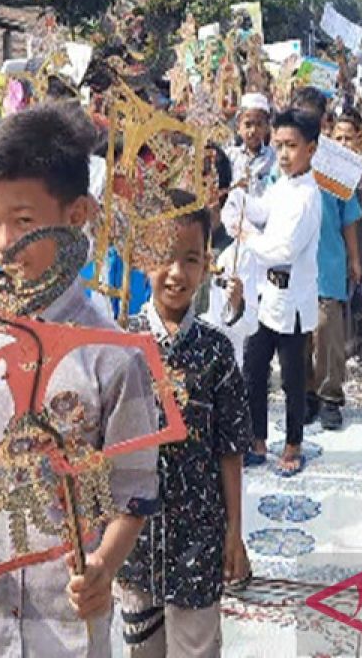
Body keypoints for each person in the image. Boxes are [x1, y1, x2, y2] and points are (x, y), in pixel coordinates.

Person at [0, 103, 161, 657]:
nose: (5, 243)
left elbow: (134, 490)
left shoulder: (111, 357)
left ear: (76, 215)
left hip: (68, 628)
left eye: (24, 222)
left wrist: (103, 567)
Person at [119, 192, 252, 658]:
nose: (176, 272)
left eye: (190, 259)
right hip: (131, 540)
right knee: (142, 648)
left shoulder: (216, 352)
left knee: (196, 648)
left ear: (206, 264)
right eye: (164, 257)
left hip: (198, 537)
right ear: (141, 260)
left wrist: (233, 533)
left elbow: (230, 449)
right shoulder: (120, 343)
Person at [232, 109, 322, 476]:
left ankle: (293, 443)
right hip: (268, 296)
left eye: (292, 146)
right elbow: (261, 208)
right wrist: (239, 201)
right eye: (279, 145)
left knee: (291, 378)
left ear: (311, 149)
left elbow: (284, 248)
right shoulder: (282, 185)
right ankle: (257, 438)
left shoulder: (308, 197)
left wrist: (249, 237)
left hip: (293, 300)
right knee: (253, 368)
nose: (284, 154)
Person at [307, 176, 362, 432]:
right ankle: (306, 393)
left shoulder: (335, 171)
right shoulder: (283, 165)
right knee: (298, 333)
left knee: (328, 327)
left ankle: (329, 395)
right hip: (295, 265)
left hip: (328, 263)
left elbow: (348, 218)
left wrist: (354, 258)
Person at [199, 146, 255, 367]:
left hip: (222, 368)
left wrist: (236, 304)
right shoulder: (170, 246)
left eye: (202, 178)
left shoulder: (238, 253)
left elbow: (250, 324)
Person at [330, 112, 362, 362]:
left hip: (357, 238)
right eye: (338, 138)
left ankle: (357, 339)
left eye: (348, 138)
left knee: (357, 287)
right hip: (333, 243)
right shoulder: (324, 172)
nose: (343, 144)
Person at [226, 93, 275, 197]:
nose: (253, 130)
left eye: (259, 124)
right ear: (238, 127)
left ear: (266, 128)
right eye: (248, 124)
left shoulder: (273, 158)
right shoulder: (230, 156)